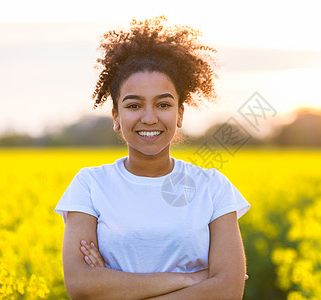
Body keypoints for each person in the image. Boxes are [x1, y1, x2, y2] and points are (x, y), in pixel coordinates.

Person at [54, 16, 250, 300]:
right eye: (134, 105)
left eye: (163, 104)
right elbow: (81, 286)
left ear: (180, 114)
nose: (149, 117)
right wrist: (191, 279)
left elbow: (228, 290)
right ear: (116, 117)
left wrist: (113, 286)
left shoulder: (213, 187)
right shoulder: (89, 185)